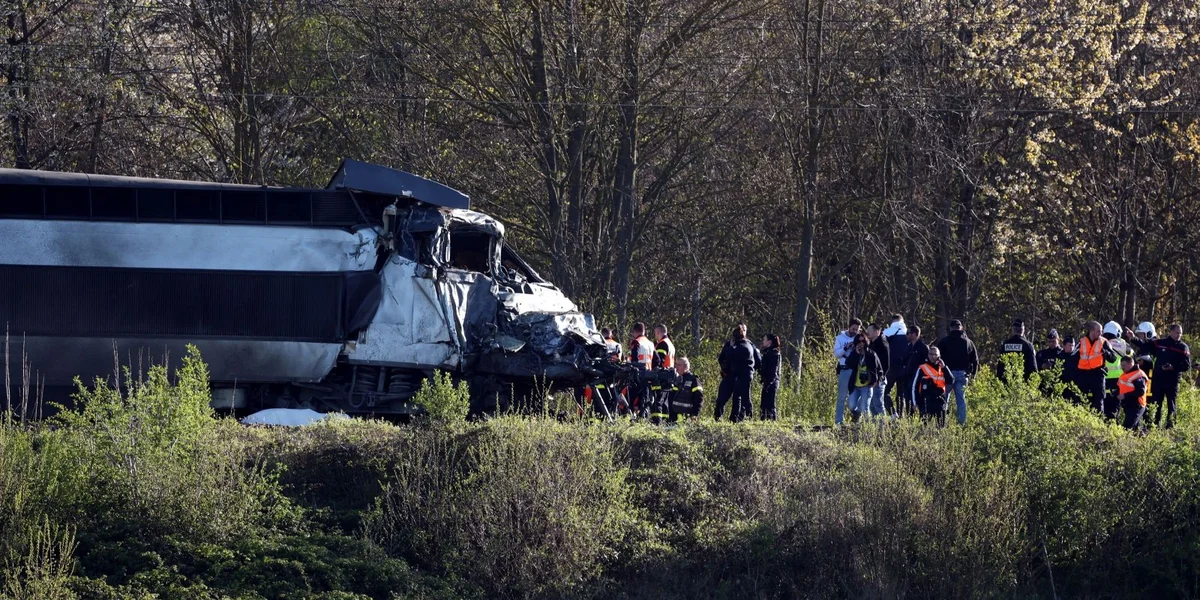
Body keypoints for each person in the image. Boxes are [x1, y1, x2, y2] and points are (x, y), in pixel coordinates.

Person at [1127, 323, 1190, 429]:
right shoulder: (1160, 343)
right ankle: (1154, 426)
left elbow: (1186, 366)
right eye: (1177, 332)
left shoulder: (1183, 347)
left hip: (1173, 381)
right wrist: (1133, 338)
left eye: (1180, 333)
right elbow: (1145, 345)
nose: (1179, 335)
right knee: (1157, 404)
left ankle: (1170, 427)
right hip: (1159, 379)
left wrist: (1173, 367)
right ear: (1171, 332)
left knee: (1172, 404)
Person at [935, 319, 978, 425]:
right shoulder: (968, 342)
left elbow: (937, 357)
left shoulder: (944, 341)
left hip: (947, 375)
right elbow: (975, 360)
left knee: (944, 399)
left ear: (950, 328)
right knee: (961, 401)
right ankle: (961, 424)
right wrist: (973, 375)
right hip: (963, 375)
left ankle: (942, 423)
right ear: (961, 327)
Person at [1075, 321, 1116, 412]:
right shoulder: (1082, 342)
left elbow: (1113, 358)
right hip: (1083, 375)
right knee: (1080, 398)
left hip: (1098, 374)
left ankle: (1098, 422)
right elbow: (1073, 357)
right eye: (1099, 331)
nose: (1101, 333)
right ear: (1092, 331)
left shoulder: (1104, 342)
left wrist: (1105, 352)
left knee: (1099, 400)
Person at [913, 346, 956, 427]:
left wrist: (944, 368)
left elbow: (951, 380)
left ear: (939, 356)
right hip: (926, 401)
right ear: (928, 355)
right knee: (924, 426)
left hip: (939, 400)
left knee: (941, 426)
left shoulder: (942, 368)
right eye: (931, 354)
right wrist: (915, 403)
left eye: (935, 355)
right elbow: (914, 386)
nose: (932, 356)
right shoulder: (922, 368)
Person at [845, 333, 883, 422]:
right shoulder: (854, 353)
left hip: (867, 385)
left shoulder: (871, 354)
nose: (860, 343)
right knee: (851, 405)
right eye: (858, 341)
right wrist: (856, 354)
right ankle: (857, 414)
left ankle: (866, 426)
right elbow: (848, 364)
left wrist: (876, 380)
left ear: (866, 342)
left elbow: (879, 369)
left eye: (863, 341)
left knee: (864, 408)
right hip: (855, 385)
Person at [714, 323, 747, 420]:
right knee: (721, 399)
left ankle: (735, 419)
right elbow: (721, 358)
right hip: (729, 375)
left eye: (743, 330)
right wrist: (725, 369)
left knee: (738, 399)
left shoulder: (747, 345)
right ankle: (717, 417)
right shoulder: (729, 344)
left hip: (740, 377)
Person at [833, 318, 863, 425]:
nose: (855, 331)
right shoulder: (840, 338)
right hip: (845, 368)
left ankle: (857, 417)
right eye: (853, 329)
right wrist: (846, 348)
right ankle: (839, 421)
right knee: (842, 396)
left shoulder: (859, 338)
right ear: (849, 326)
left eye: (857, 330)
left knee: (859, 394)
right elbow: (837, 354)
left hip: (857, 370)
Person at [1102, 321, 1134, 420]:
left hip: (1103, 378)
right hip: (1119, 380)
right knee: (1115, 407)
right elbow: (1132, 356)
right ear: (1118, 333)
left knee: (1103, 405)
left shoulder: (1101, 342)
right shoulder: (1124, 344)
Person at [727, 326, 759, 422]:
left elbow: (730, 356)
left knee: (744, 396)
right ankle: (736, 417)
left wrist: (731, 346)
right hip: (746, 374)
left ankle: (748, 416)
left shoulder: (741, 346)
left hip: (743, 374)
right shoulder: (748, 344)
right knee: (739, 396)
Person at [882, 315, 909, 417]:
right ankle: (901, 416)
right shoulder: (909, 333)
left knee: (884, 391)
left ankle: (892, 413)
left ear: (892, 321)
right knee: (901, 394)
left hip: (890, 368)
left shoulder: (886, 332)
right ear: (902, 321)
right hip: (905, 368)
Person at [628, 322, 655, 417]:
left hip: (637, 374)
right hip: (648, 374)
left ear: (634, 332)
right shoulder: (650, 344)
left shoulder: (636, 342)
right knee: (645, 397)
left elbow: (634, 359)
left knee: (632, 397)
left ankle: (630, 416)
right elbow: (657, 359)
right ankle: (644, 416)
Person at [1116, 355, 1149, 431]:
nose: (1122, 367)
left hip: (1137, 405)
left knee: (1127, 428)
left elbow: (1140, 391)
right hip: (1128, 405)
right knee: (1136, 430)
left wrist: (1125, 395)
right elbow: (1122, 387)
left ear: (1130, 364)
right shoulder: (1125, 374)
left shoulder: (1138, 375)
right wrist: (1115, 393)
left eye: (1124, 365)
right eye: (1121, 365)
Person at [903, 325, 930, 417]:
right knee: (907, 398)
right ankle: (910, 418)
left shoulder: (923, 348)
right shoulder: (908, 347)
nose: (906, 335)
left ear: (915, 334)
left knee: (917, 399)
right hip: (907, 377)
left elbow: (927, 363)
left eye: (908, 333)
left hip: (918, 378)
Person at [669, 357, 704, 422]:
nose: (676, 367)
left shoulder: (693, 380)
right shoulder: (677, 380)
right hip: (675, 418)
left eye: (679, 365)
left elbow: (699, 398)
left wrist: (695, 414)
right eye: (676, 365)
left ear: (686, 367)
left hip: (688, 418)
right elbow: (672, 398)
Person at [866, 324, 890, 418]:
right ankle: (876, 426)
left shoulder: (882, 344)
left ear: (877, 331)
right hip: (872, 379)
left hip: (879, 379)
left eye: (870, 331)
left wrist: (879, 378)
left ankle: (883, 427)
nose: (868, 333)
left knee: (878, 404)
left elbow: (886, 364)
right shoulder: (872, 343)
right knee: (872, 405)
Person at [759, 334, 782, 420]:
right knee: (764, 403)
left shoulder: (774, 353)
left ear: (769, 342)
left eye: (764, 340)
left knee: (770, 404)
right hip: (768, 381)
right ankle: (764, 420)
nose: (763, 341)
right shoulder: (768, 352)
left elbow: (773, 370)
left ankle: (771, 421)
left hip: (772, 381)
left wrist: (769, 382)